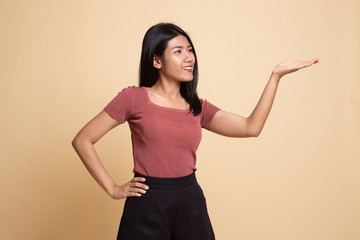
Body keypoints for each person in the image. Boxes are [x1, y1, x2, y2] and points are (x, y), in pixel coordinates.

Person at [72, 23, 319, 240]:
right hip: (148, 203)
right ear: (157, 61)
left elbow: (251, 127)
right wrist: (113, 188)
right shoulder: (133, 98)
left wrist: (275, 77)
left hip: (190, 202)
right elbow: (83, 140)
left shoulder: (198, 107)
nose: (189, 57)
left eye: (190, 50)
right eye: (178, 51)